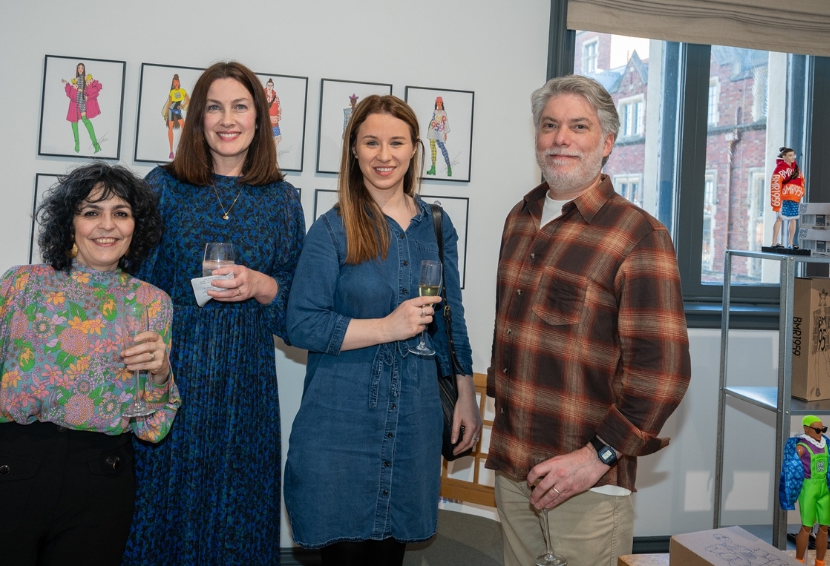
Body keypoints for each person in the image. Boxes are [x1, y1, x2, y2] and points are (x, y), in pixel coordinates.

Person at [0, 163, 181, 566]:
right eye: (91, 212)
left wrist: (160, 375)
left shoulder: (154, 303)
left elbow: (152, 427)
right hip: (11, 474)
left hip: (102, 486)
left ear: (137, 226)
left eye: (121, 213)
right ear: (69, 223)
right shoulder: (21, 285)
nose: (108, 225)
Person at [485, 75, 691, 566]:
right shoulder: (520, 219)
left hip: (586, 484)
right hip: (514, 467)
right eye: (550, 125)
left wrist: (596, 458)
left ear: (608, 142)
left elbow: (664, 375)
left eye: (579, 126)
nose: (561, 138)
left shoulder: (639, 234)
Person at [283, 95, 481, 565]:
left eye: (396, 142)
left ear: (415, 148)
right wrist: (387, 327)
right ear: (354, 150)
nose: (384, 155)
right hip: (339, 422)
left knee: (389, 555)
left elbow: (451, 315)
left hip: (415, 418)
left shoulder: (436, 225)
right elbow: (301, 324)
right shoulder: (331, 230)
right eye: (371, 142)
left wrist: (466, 391)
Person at [123, 61, 306, 566]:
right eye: (215, 107)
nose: (228, 119)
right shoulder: (161, 189)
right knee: (161, 513)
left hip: (245, 389)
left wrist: (263, 285)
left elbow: (299, 314)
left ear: (259, 118)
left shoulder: (284, 202)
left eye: (241, 107)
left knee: (238, 519)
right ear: (198, 118)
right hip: (171, 380)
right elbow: (131, 289)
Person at [780, 415, 830, 565]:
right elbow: (790, 469)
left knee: (824, 526)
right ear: (806, 429)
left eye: (823, 429)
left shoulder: (825, 444)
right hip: (809, 488)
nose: (820, 432)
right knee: (807, 526)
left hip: (824, 488)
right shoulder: (801, 447)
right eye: (817, 429)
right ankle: (799, 560)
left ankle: (820, 561)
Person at [62, 62, 103, 153]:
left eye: (82, 68)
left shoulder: (88, 78)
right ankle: (77, 144)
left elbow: (96, 89)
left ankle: (96, 145)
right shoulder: (74, 80)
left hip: (83, 101)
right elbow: (71, 94)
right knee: (74, 123)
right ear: (77, 69)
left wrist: (86, 93)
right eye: (79, 68)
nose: (80, 69)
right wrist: (69, 84)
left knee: (86, 121)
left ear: (84, 69)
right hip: (75, 102)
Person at [771, 146, 805, 247]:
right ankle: (774, 242)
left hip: (794, 197)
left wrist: (800, 193)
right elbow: (775, 184)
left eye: (793, 155)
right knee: (780, 218)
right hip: (783, 198)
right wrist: (776, 201)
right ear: (784, 156)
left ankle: (791, 243)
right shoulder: (779, 169)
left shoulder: (796, 169)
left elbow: (801, 181)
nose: (792, 157)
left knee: (793, 218)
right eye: (789, 156)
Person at [163, 73, 189, 160]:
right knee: (170, 128)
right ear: (173, 83)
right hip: (171, 110)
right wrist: (166, 114)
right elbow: (169, 103)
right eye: (174, 82)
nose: (176, 83)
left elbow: (188, 99)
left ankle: (181, 147)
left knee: (184, 127)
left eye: (177, 81)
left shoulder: (182, 90)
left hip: (177, 110)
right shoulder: (172, 92)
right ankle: (171, 151)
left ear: (179, 82)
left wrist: (182, 106)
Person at [426, 96, 452, 177]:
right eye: (438, 102)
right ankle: (433, 168)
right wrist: (433, 123)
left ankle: (449, 167)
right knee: (433, 150)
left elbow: (445, 124)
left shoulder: (444, 113)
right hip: (432, 131)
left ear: (442, 103)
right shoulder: (435, 111)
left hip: (439, 133)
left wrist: (445, 133)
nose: (439, 103)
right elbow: (433, 120)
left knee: (443, 149)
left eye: (440, 102)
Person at [265, 78, 282, 145]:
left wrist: (278, 116)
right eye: (268, 85)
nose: (269, 87)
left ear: (273, 86)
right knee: (266, 137)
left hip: (274, 120)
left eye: (271, 85)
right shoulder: (263, 96)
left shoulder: (276, 97)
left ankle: (271, 153)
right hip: (266, 120)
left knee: (278, 138)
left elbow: (279, 107)